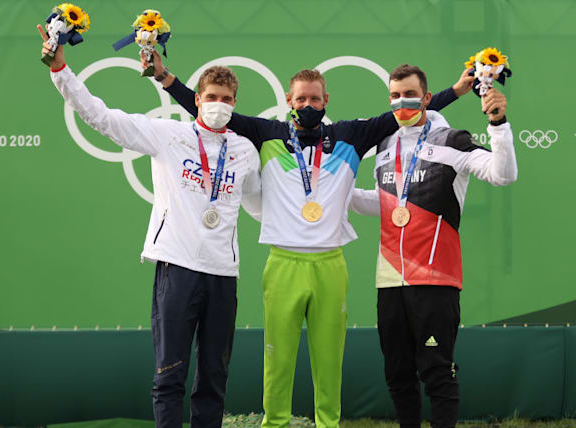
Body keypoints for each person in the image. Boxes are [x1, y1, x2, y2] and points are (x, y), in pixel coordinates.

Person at [145, 51, 473, 428]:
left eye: (315, 99)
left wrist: (456, 90)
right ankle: (275, 423)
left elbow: (407, 111)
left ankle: (327, 424)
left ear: (326, 100)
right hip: (282, 265)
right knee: (278, 361)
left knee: (329, 362)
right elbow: (209, 110)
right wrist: (166, 79)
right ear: (289, 100)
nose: (308, 105)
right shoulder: (267, 133)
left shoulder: (350, 135)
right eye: (300, 99)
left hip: (330, 265)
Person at [36, 25, 262, 428]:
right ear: (197, 99)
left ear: (235, 104)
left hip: (223, 275)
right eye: (211, 97)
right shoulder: (168, 134)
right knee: (169, 374)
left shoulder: (245, 150)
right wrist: (60, 72)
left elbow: (259, 203)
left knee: (214, 377)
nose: (219, 105)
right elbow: (102, 118)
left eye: (227, 99)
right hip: (177, 267)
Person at [349, 64, 518, 428]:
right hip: (389, 280)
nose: (402, 102)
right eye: (395, 96)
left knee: (437, 373)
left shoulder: (452, 140)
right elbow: (384, 204)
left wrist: (498, 125)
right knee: (397, 374)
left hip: (436, 279)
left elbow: (503, 175)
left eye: (409, 94)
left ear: (426, 97)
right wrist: (337, 193)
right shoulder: (385, 145)